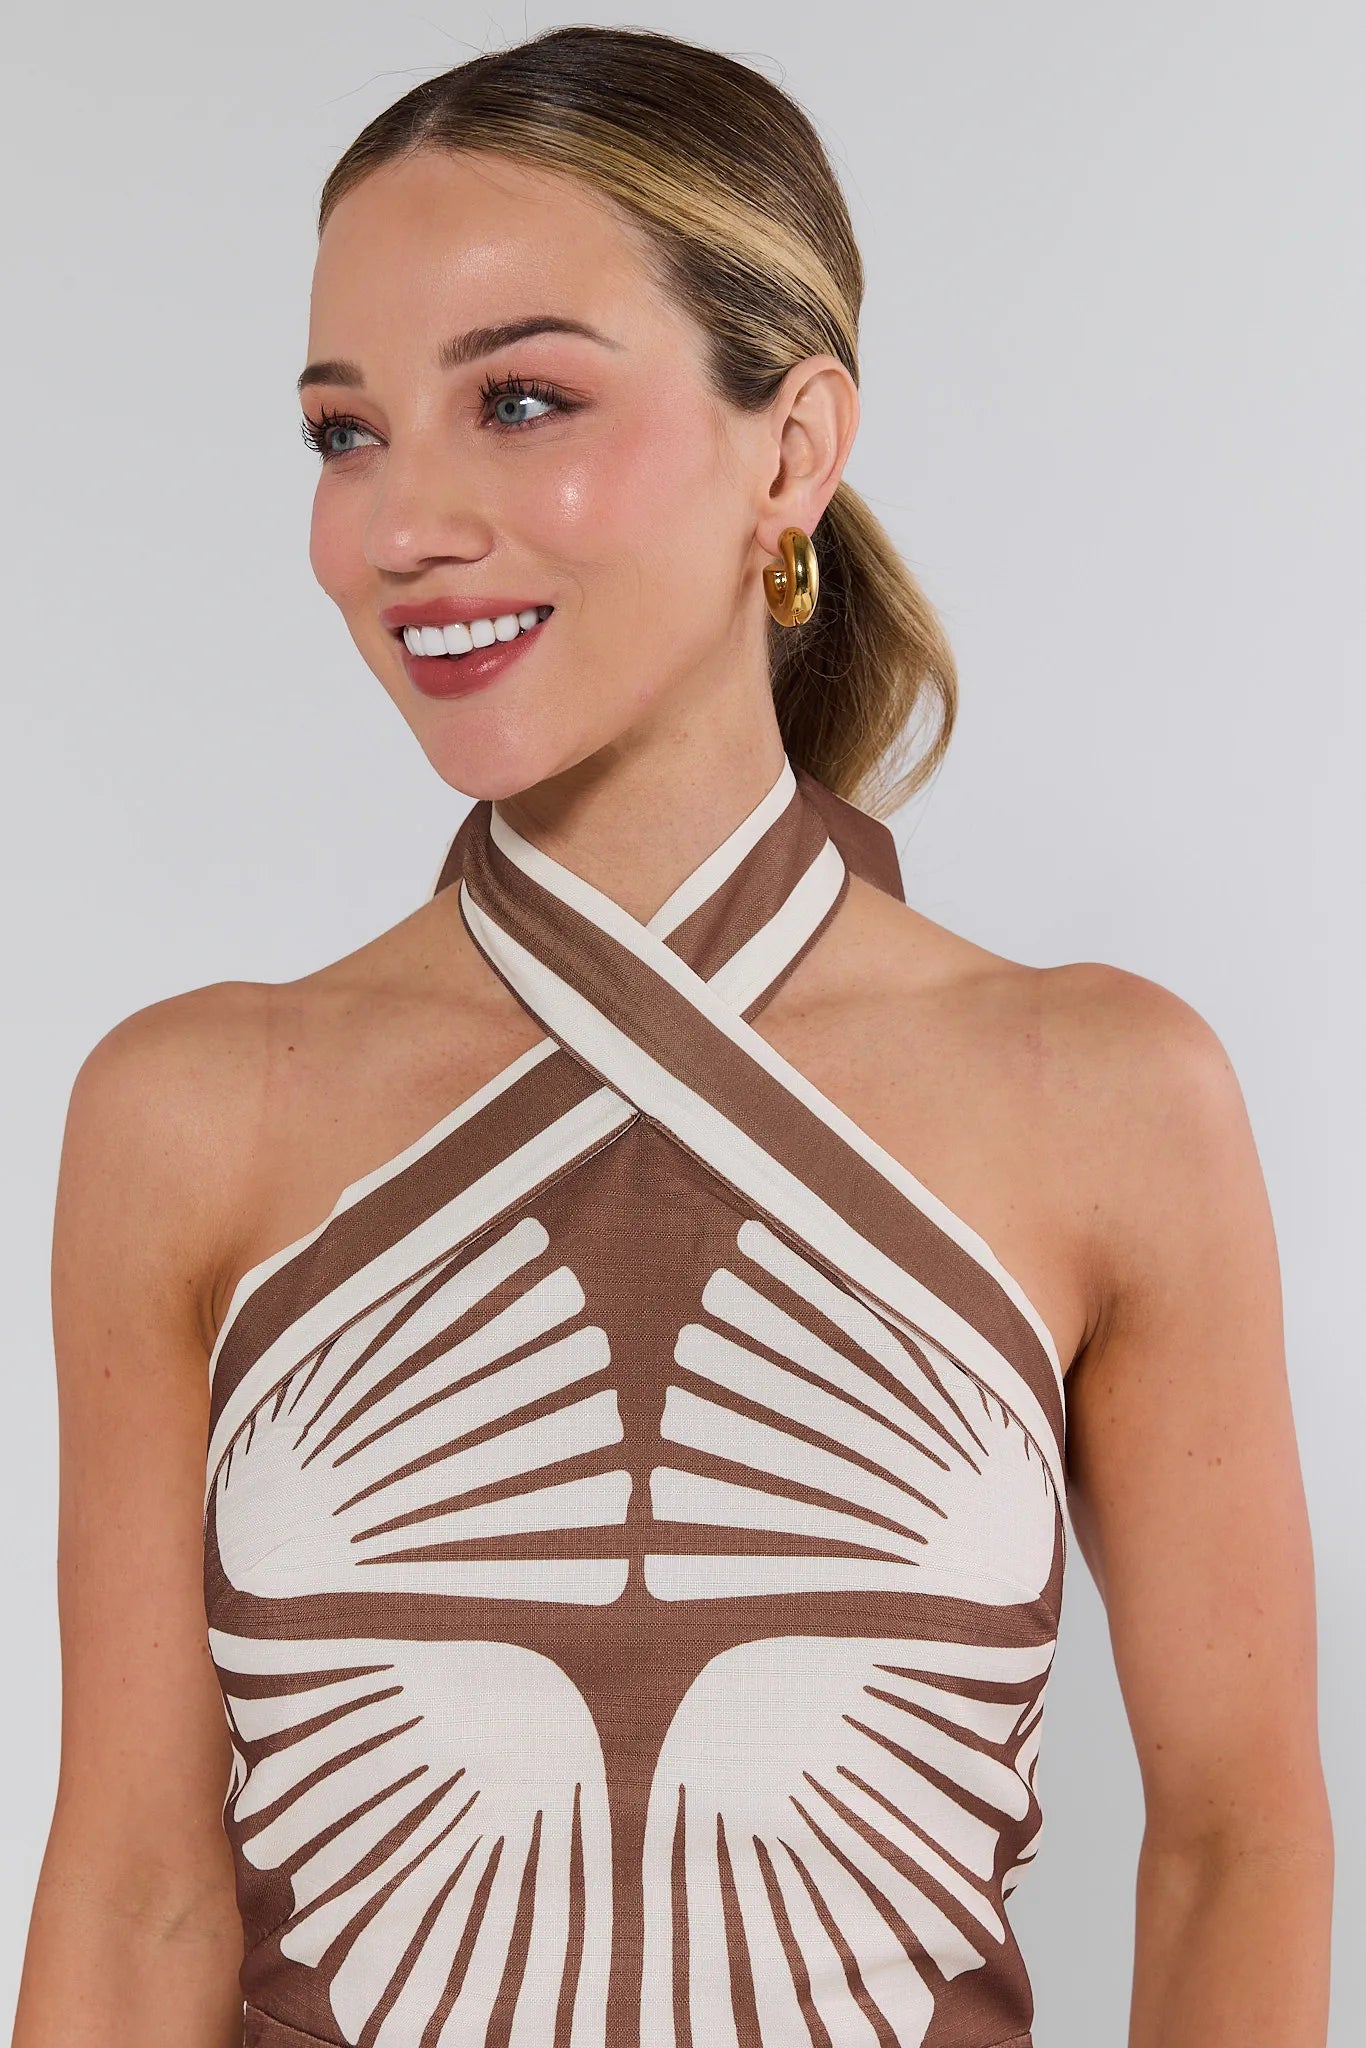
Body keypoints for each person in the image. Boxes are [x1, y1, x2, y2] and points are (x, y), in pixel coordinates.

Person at [12, 23, 1332, 2048]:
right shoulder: (193, 1110)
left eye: (519, 400)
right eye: (343, 432)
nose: (398, 524)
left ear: (790, 450)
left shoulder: (1102, 1097)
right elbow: (134, 1886)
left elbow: (1232, 1838)